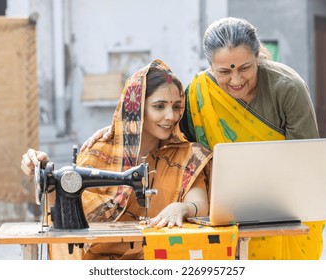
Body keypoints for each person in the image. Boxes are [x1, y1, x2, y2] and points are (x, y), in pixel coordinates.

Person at [81, 17, 324, 260]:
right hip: (228, 210)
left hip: (283, 206)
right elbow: (167, 126)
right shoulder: (199, 93)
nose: (236, 80)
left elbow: (307, 161)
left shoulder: (287, 88)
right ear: (210, 66)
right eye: (225, 71)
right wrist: (121, 125)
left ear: (258, 56)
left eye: (245, 67)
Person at [21, 59, 214, 260]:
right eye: (159, 106)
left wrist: (182, 208)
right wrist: (46, 176)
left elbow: (200, 204)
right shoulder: (100, 151)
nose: (171, 116)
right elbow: (63, 212)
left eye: (176, 107)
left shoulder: (187, 155)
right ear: (136, 109)